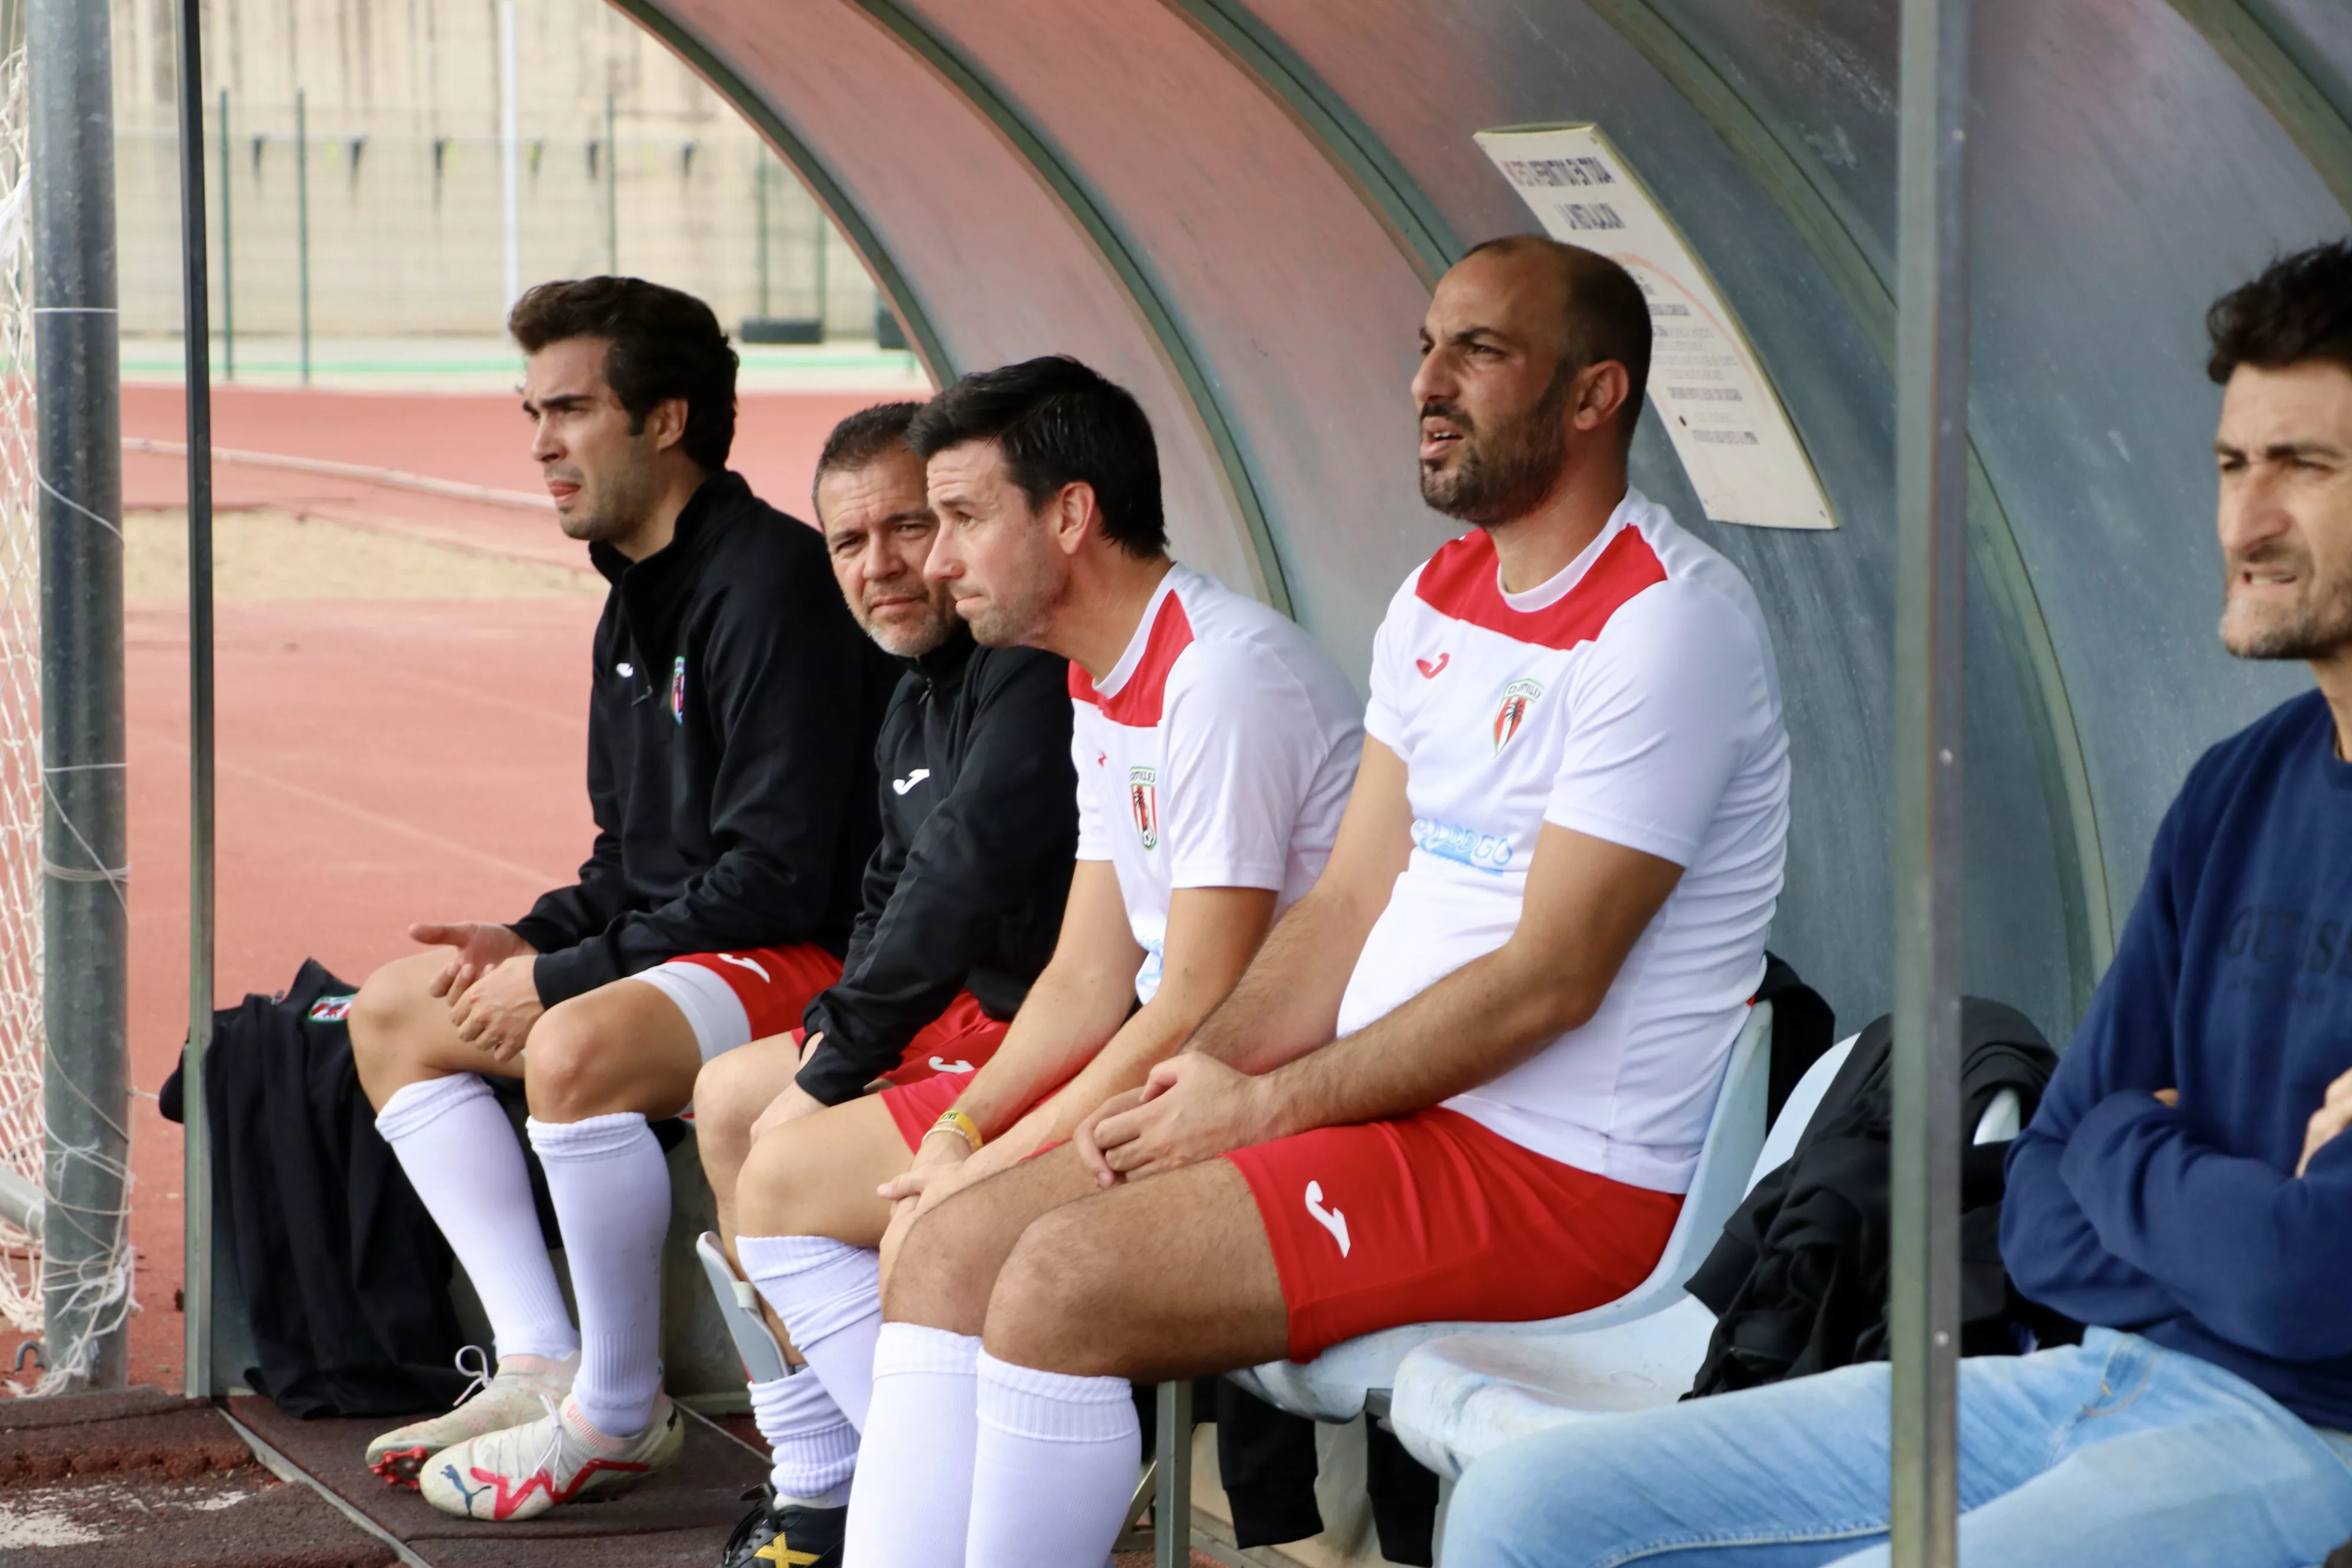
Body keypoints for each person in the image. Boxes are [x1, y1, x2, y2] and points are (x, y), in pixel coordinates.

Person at [844, 235, 1792, 1568]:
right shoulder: (1438, 594)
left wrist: (1269, 1101)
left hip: (1563, 1172)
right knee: (950, 1244)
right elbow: (1349, 899)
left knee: (1059, 1278)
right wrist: (1200, 1075)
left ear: (1595, 397)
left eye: (1481, 350)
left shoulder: (1666, 621)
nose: (1427, 382)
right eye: (1426, 347)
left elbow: (1550, 978)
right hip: (1396, 1119)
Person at [1441, 240, 2352, 1568]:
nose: (2245, 521)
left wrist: (2133, 1158)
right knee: (1527, 1510)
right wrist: (2174, 1178)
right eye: (2233, 464)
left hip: (2309, 1443)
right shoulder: (2238, 791)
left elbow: (2305, 1276)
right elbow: (2045, 1209)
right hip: (2096, 1376)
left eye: (2305, 468)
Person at [717, 354, 1364, 1566]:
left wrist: (988, 1162)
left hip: (1269, 1088)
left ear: (1069, 516)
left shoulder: (1223, 675)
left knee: (953, 1238)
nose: (936, 559)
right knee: (923, 1214)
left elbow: (1199, 1003)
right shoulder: (1103, 680)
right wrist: (962, 1140)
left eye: (959, 518)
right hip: (1178, 1073)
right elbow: (1083, 977)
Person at [348, 276, 899, 1518]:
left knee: (577, 1043)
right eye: (532, 410)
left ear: (666, 419)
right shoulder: (631, 594)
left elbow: (776, 875)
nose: (543, 441)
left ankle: (617, 1406)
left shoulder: (772, 585)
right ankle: (541, 1362)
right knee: (393, 1010)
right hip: (711, 940)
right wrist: (535, 935)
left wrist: (564, 975)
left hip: (815, 951)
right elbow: (629, 861)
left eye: (572, 408)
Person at [684, 400, 1080, 1563]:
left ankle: (929, 1495)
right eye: (850, 543)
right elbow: (887, 887)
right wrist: (833, 1031)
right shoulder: (915, 690)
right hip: (962, 1009)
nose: (884, 565)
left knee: (786, 1163)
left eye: (911, 525)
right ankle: (823, 1469)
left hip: (1047, 1026)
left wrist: (841, 1057)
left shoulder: (1024, 672)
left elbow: (963, 875)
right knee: (726, 1097)